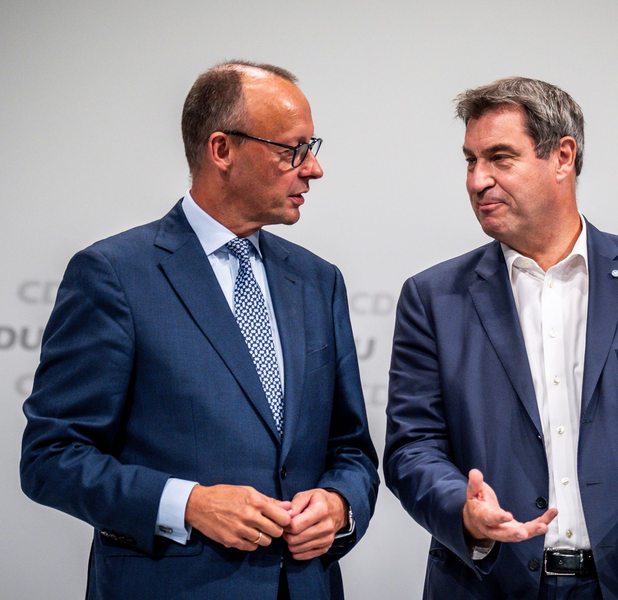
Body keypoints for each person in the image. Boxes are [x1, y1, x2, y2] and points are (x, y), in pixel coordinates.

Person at [20, 61, 379, 600]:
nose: (314, 169)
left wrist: (339, 506)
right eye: (293, 149)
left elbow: (350, 449)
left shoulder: (317, 280)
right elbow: (51, 457)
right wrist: (186, 504)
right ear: (222, 150)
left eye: (313, 147)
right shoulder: (114, 274)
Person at [383, 77, 618, 599]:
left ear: (563, 157)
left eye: (500, 158)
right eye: (469, 161)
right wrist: (461, 507)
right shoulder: (432, 297)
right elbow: (412, 446)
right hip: (489, 582)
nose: (478, 180)